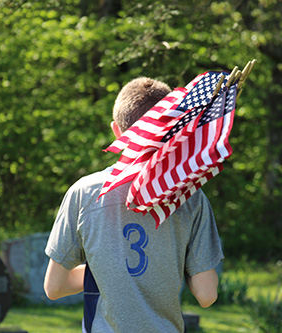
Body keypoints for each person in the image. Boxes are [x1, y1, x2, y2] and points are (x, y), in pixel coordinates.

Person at [44, 77, 224, 333]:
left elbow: (54, 287)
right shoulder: (190, 196)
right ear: (174, 127)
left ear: (117, 131)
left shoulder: (84, 193)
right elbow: (207, 294)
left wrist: (104, 269)